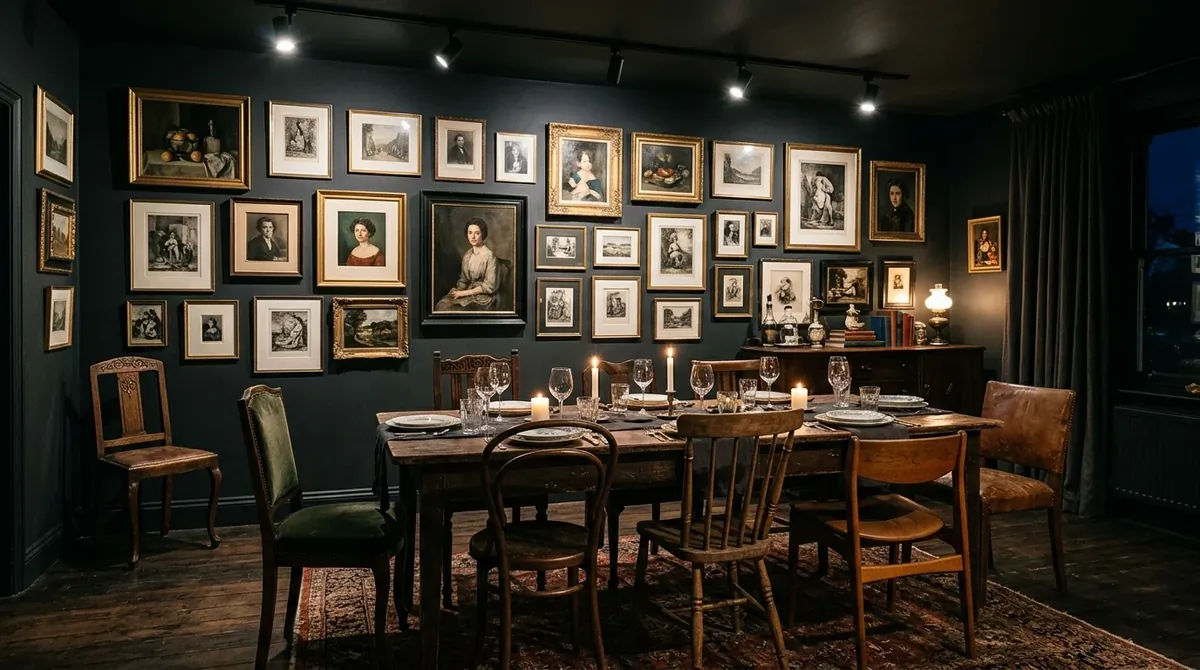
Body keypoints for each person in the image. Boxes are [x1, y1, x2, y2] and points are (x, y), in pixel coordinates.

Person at [435, 217, 499, 311]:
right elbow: (463, 280)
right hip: (468, 292)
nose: (472, 237)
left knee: (452, 309)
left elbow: (489, 287)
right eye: (470, 233)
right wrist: (458, 290)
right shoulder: (468, 255)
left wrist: (463, 293)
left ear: (483, 234)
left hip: (483, 298)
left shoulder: (489, 256)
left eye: (477, 233)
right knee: (443, 304)